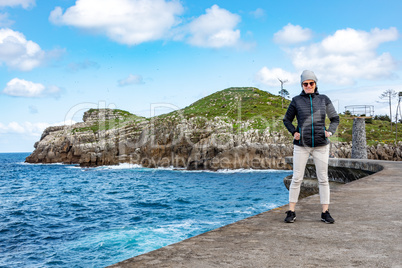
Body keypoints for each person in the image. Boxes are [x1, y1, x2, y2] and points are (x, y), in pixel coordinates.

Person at [282, 70, 339, 224]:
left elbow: (335, 118)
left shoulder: (323, 99)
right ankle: (291, 211)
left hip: (321, 145)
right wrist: (294, 132)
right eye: (305, 83)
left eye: (311, 83)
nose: (308, 86)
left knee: (323, 179)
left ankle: (325, 212)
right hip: (302, 146)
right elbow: (287, 119)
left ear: (315, 84)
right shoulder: (296, 101)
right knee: (297, 178)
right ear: (302, 85)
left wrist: (330, 132)